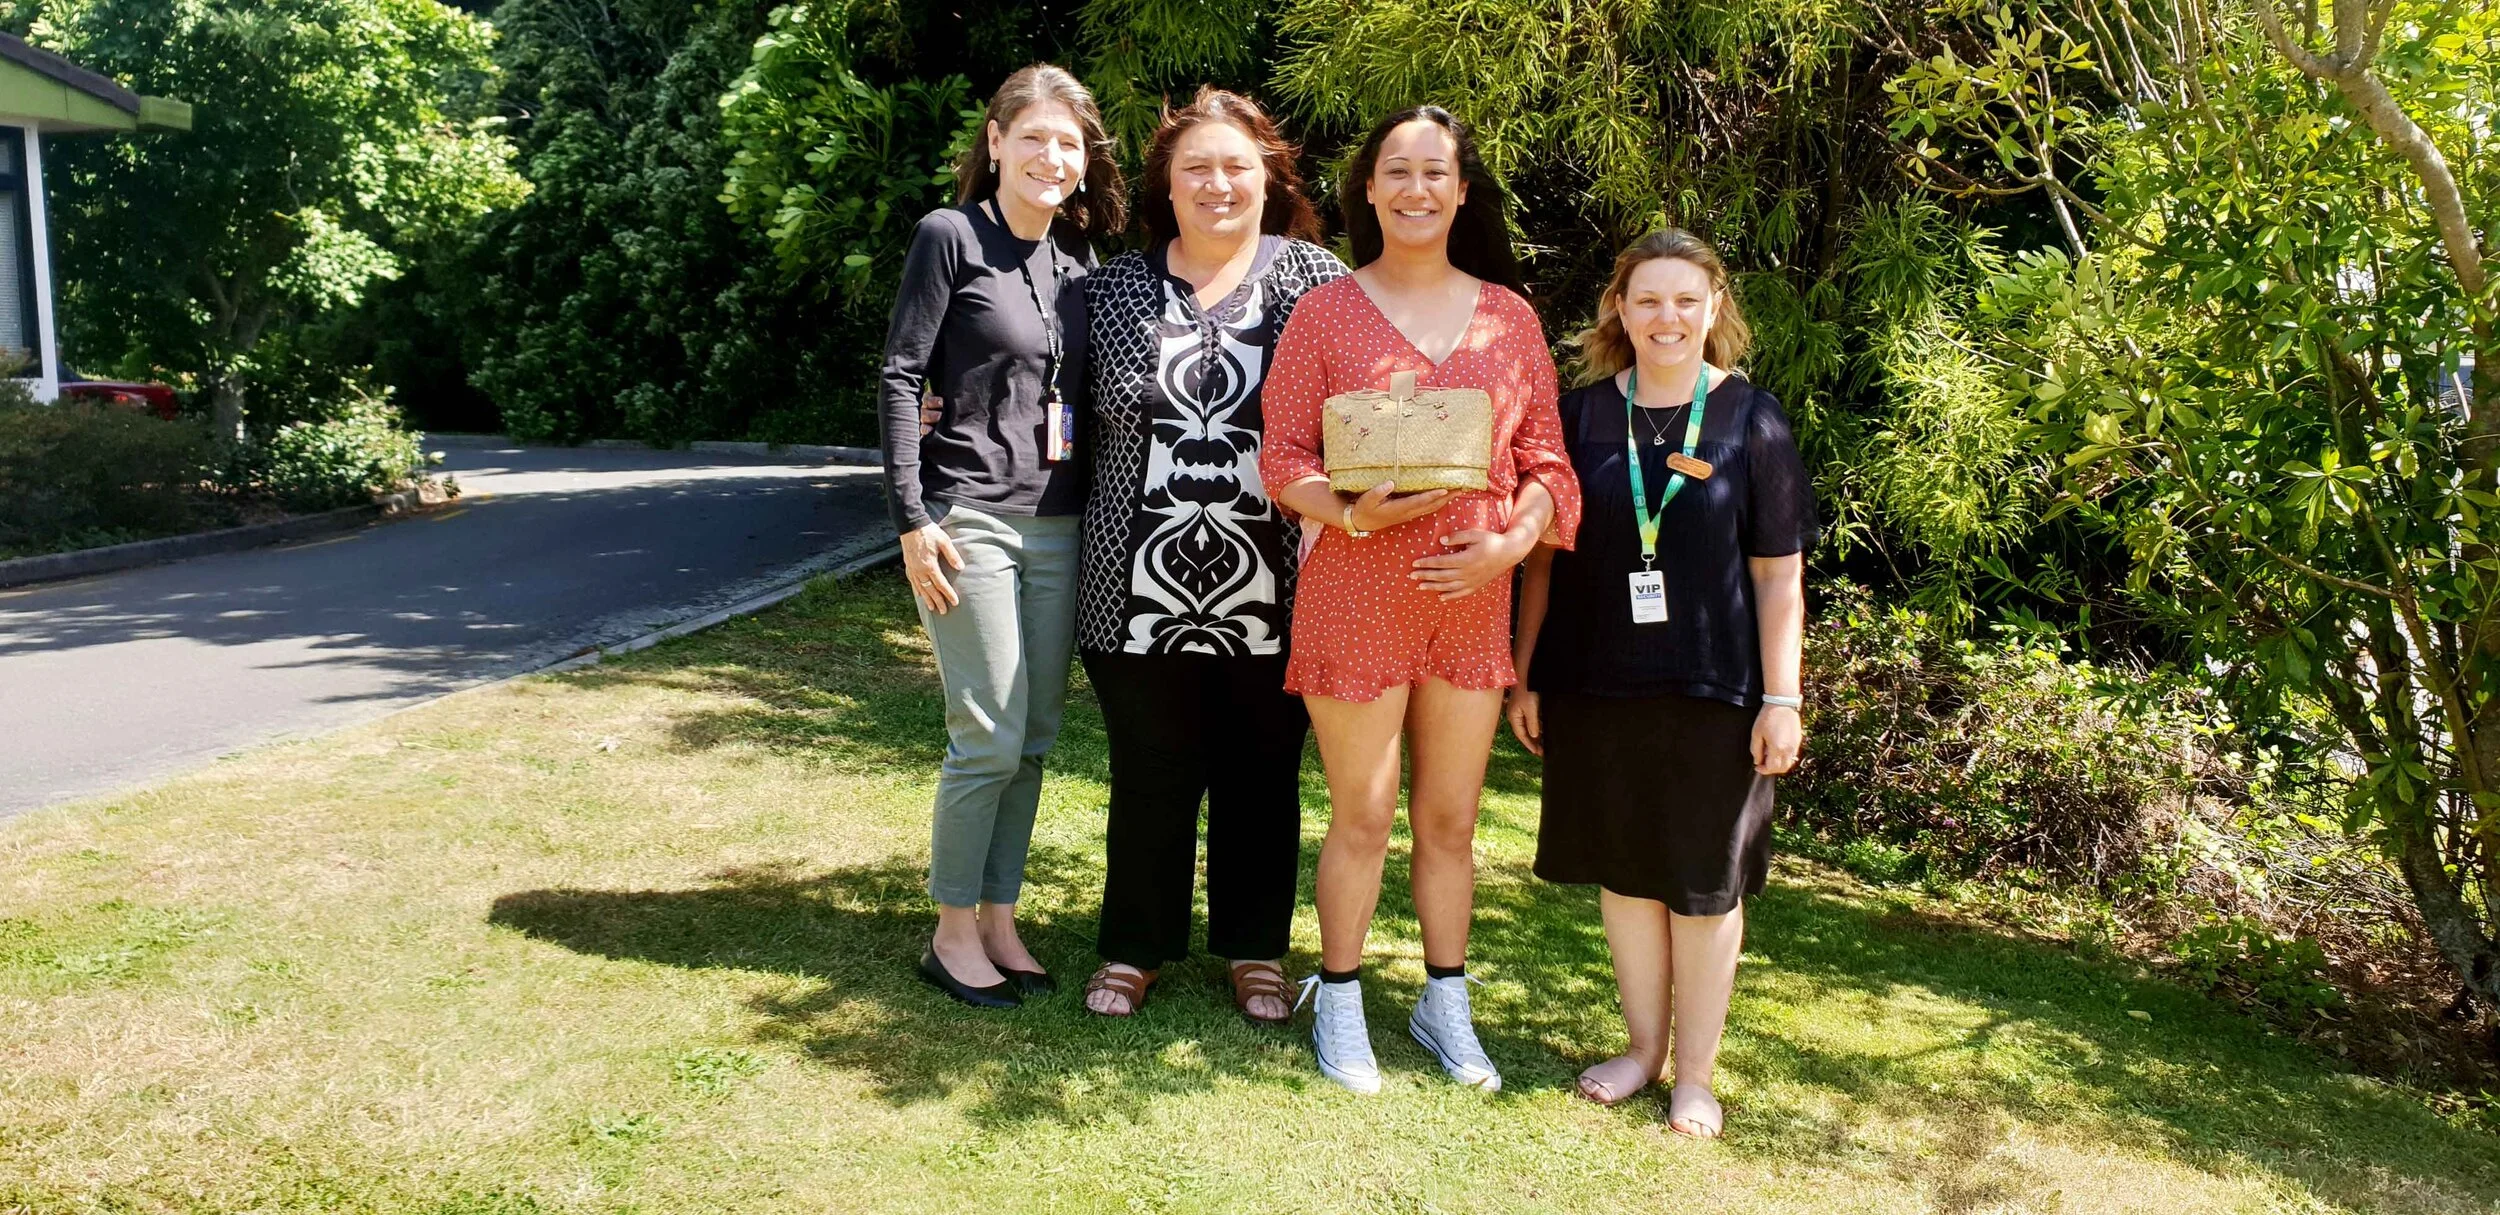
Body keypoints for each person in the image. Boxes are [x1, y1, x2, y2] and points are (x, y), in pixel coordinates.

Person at [1259, 106, 1581, 1094]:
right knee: (1360, 816)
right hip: (1356, 591)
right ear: (1367, 189)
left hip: (1468, 601)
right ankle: (1343, 1002)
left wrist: (1513, 542)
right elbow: (1281, 460)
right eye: (1394, 170)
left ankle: (1445, 1006)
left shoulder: (1508, 317)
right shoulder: (1323, 313)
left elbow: (1548, 463)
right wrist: (1351, 517)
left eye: (1433, 171)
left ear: (1460, 190)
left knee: (1448, 822)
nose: (1414, 188)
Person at [1506, 228, 1816, 1137]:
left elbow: (1777, 574)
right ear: (1619, 309)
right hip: (1596, 685)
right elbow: (1543, 566)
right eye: (1648, 299)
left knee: (1704, 884)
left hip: (1718, 690)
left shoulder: (1752, 420)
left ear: (1714, 307)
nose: (1666, 316)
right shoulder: (1579, 417)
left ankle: (1696, 1075)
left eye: (1686, 299)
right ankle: (1642, 1049)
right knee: (1627, 873)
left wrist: (1783, 696)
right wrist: (1526, 677)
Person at [1071, 89, 1348, 1024]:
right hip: (1127, 582)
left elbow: (1365, 405)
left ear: (1269, 177)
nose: (1217, 183)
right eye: (1196, 167)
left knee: (1262, 773)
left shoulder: (1317, 280)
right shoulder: (1110, 289)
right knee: (1149, 768)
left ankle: (1254, 949)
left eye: (1236, 165)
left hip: (1281, 581)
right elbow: (1049, 407)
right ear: (1166, 185)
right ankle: (1133, 946)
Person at [876, 64, 1126, 1009]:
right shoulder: (951, 237)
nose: (1052, 157)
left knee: (1035, 736)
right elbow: (904, 376)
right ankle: (949, 932)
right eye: (1034, 138)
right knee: (985, 732)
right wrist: (912, 517)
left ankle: (997, 913)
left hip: (1059, 525)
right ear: (995, 144)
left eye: (1069, 144)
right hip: (967, 516)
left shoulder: (1079, 267)